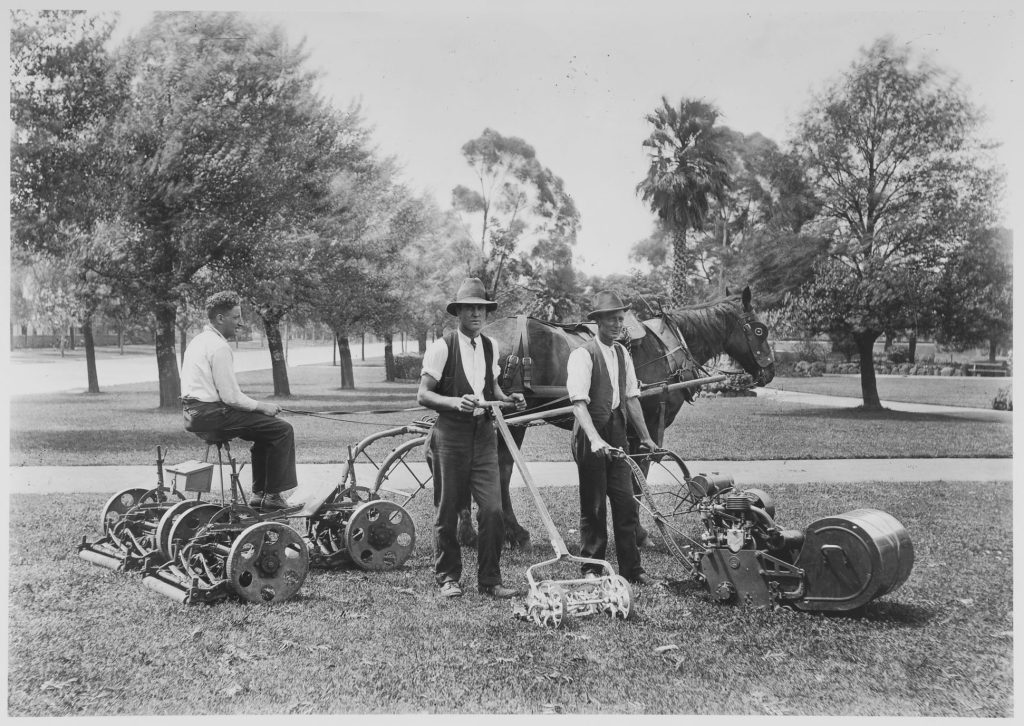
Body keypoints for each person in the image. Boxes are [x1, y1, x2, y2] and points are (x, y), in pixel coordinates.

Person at [418, 277, 527, 599]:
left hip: (482, 436)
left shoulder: (490, 346)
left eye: (481, 309)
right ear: (459, 312)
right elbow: (424, 394)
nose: (476, 314)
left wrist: (509, 399)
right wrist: (453, 402)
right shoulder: (442, 347)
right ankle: (448, 577)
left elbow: (490, 391)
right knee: (447, 510)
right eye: (470, 309)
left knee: (493, 509)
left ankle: (490, 580)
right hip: (450, 435)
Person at [568, 290, 658, 586]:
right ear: (598, 322)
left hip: (617, 432)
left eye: (621, 319)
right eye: (611, 319)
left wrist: (645, 437)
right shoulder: (583, 355)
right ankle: (592, 566)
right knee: (594, 505)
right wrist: (594, 438)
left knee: (626, 500)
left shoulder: (622, 353)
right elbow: (578, 403)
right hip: (591, 432)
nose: (618, 324)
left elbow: (631, 398)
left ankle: (632, 569)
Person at [180, 291, 297, 511]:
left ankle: (260, 494)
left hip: (192, 414)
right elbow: (230, 397)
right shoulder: (219, 346)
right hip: (210, 416)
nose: (240, 323)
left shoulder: (198, 341)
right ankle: (271, 496)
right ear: (220, 318)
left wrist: (259, 411)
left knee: (266, 431)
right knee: (282, 430)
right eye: (235, 317)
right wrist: (264, 407)